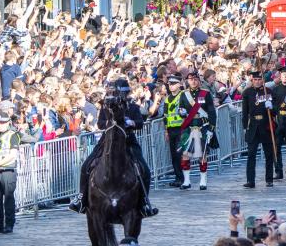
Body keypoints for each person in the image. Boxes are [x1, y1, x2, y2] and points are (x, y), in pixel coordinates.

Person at [70, 78, 157, 217]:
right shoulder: (106, 106)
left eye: (118, 93)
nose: (116, 95)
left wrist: (131, 123)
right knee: (86, 165)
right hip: (107, 141)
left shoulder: (133, 107)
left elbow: (140, 122)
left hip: (127, 140)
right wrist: (111, 122)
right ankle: (81, 198)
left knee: (144, 169)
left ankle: (144, 202)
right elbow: (100, 123)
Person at [178, 70, 217, 191]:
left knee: (202, 154)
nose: (193, 82)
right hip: (189, 126)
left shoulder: (205, 94)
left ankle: (203, 181)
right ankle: (186, 181)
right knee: (185, 154)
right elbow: (181, 109)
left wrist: (211, 128)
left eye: (195, 79)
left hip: (202, 126)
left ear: (199, 81)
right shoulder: (184, 95)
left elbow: (211, 112)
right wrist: (181, 113)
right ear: (187, 81)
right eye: (191, 80)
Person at [241, 70, 276, 189]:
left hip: (266, 125)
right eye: (255, 80)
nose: (257, 81)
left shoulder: (269, 92)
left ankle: (269, 179)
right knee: (251, 154)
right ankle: (250, 180)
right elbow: (244, 112)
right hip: (253, 126)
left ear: (263, 80)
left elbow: (275, 110)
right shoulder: (247, 92)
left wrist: (271, 107)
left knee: (269, 154)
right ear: (252, 80)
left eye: (259, 79)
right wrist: (245, 127)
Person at [161, 75, 193, 189]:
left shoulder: (183, 96)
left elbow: (191, 111)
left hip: (181, 128)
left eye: (173, 84)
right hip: (171, 130)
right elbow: (165, 116)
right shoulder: (167, 99)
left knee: (180, 154)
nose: (171, 86)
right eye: (169, 84)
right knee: (174, 155)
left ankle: (184, 178)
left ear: (179, 84)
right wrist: (166, 131)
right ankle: (178, 178)